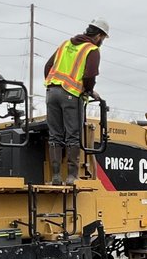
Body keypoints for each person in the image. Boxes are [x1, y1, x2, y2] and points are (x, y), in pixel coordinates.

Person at [43, 18, 108, 185]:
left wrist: (53, 86)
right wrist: (88, 91)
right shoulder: (92, 49)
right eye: (103, 39)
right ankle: (72, 176)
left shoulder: (65, 44)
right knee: (73, 135)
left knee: (55, 135)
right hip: (71, 95)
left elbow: (47, 66)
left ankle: (56, 177)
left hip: (51, 92)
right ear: (99, 36)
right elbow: (89, 75)